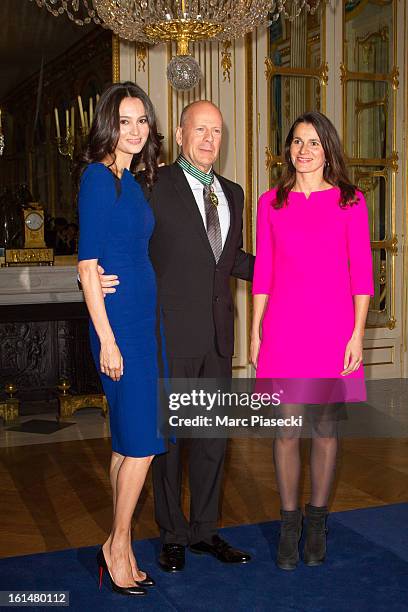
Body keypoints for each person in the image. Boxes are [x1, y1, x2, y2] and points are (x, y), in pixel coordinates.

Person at [98, 100, 254, 573]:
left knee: (211, 440)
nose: (209, 139)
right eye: (200, 130)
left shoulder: (234, 192)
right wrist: (94, 275)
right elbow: (123, 244)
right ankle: (172, 533)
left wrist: (287, 271)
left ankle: (205, 530)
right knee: (167, 443)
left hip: (217, 337)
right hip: (164, 336)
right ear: (182, 134)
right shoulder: (154, 186)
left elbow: (229, 260)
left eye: (217, 131)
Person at [251, 111, 373, 570]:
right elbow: (263, 272)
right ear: (289, 150)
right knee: (285, 430)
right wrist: (256, 330)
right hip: (283, 328)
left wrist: (356, 335)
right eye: (297, 142)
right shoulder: (271, 202)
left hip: (333, 328)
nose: (304, 151)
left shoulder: (350, 201)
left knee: (324, 429)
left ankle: (317, 521)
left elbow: (361, 274)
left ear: (328, 151)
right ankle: (289, 524)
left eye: (314, 143)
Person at [77, 81, 166, 596]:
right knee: (143, 445)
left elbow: (104, 261)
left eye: (141, 121)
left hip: (140, 322)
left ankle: (121, 546)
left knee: (126, 444)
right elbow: (88, 266)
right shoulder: (98, 178)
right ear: (108, 125)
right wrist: (108, 340)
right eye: (125, 121)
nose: (134, 130)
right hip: (121, 330)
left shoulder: (129, 180)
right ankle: (117, 545)